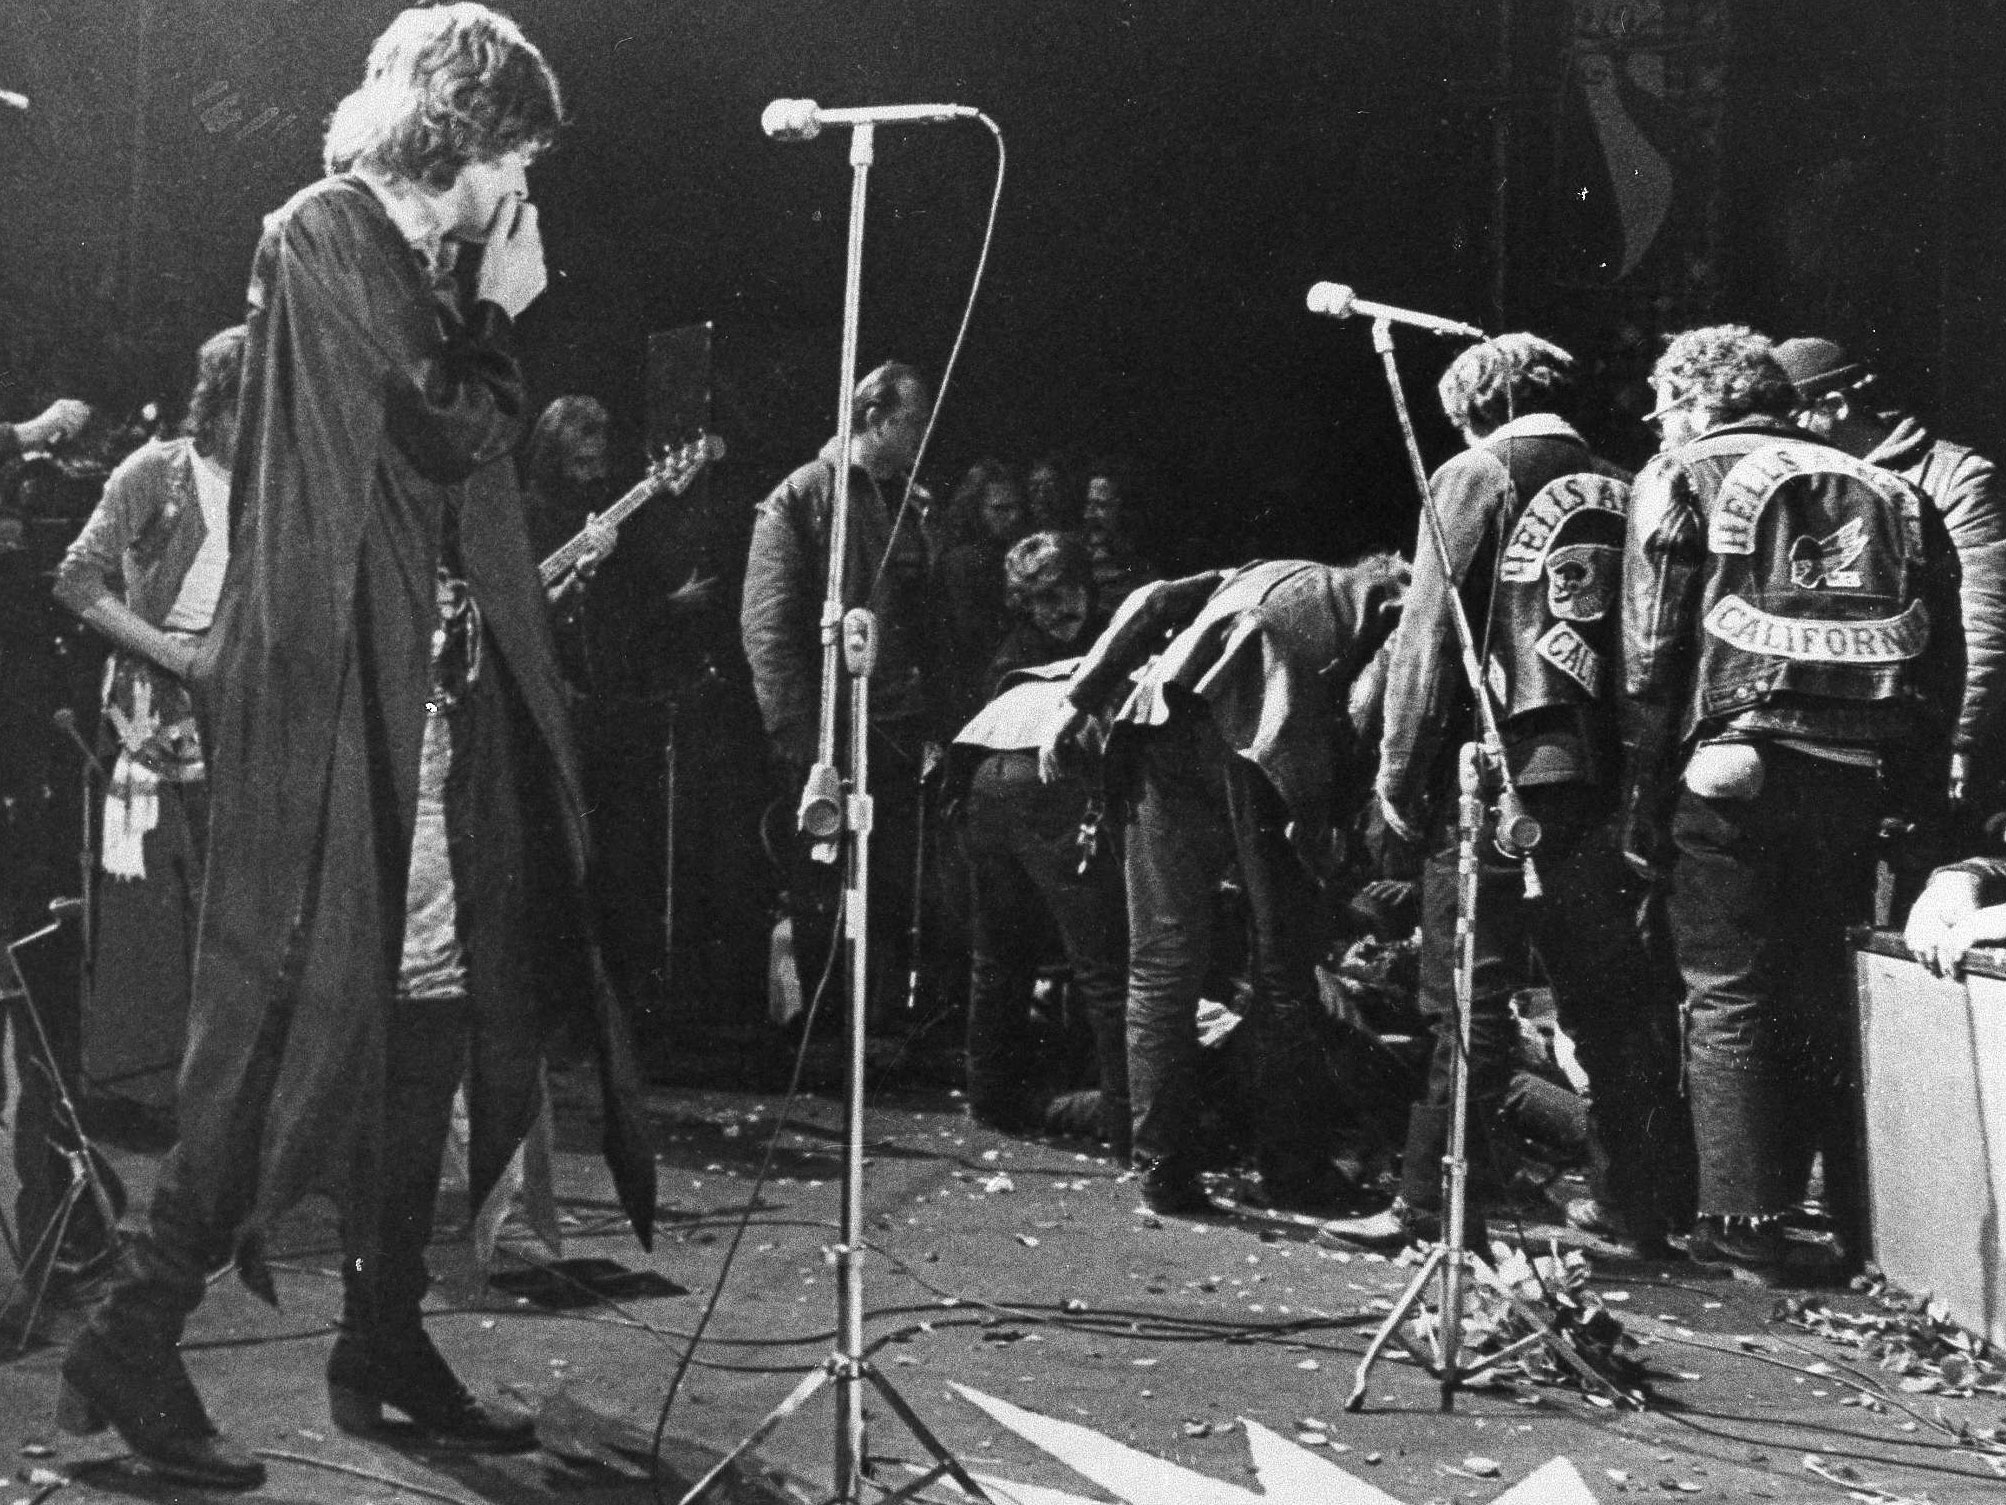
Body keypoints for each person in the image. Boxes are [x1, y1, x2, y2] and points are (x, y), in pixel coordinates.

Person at [58, 7, 657, 1487]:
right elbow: (448, 427)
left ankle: (382, 1335)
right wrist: (498, 310)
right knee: (279, 1035)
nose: (519, 185)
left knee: (427, 1021)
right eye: (514, 154)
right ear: (459, 131)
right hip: (332, 724)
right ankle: (129, 1335)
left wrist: (473, 302)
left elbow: (437, 477)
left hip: (420, 720)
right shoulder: (324, 231)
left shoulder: (406, 262)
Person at [1620, 325, 1957, 1283]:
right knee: (1817, 989)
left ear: (1699, 399)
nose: (1660, 424)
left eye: (1664, 406)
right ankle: (1844, 1219)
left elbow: (1651, 648)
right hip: (1853, 769)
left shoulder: (1682, 471)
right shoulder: (1890, 486)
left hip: (1733, 760)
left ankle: (1741, 1222)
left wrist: (1642, 788)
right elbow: (1943, 655)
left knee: (1727, 987)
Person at [1345, 333, 1691, 1256]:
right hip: (1599, 780)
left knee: (1467, 998)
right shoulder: (1628, 482)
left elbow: (1427, 642)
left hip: (1497, 776)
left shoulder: (1475, 474)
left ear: (1474, 408)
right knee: (1606, 1001)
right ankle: (1635, 1203)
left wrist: (1396, 781)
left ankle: (1431, 1205)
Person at [1039, 553, 1408, 1214]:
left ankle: (1162, 1171)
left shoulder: (1269, 569)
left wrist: (1078, 699)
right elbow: (1370, 712)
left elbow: (1153, 597)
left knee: (1161, 965)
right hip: (1263, 744)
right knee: (1283, 974)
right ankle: (1291, 1172)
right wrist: (1342, 829)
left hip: (1160, 725)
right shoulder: (1396, 607)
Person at [51, 326, 246, 1123]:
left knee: (232, 907)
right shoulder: (156, 471)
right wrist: (174, 653)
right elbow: (76, 579)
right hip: (150, 701)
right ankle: (150, 1097)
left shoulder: (280, 483)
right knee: (152, 904)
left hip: (241, 702)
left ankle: (224, 1094)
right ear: (224, 401)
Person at [741, 360, 939, 1021]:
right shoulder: (803, 496)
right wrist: (800, 742)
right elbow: (768, 630)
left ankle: (878, 1023)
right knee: (824, 884)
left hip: (896, 725)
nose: (921, 438)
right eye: (912, 423)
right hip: (830, 730)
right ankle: (827, 1030)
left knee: (890, 885)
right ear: (873, 417)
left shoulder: (911, 502)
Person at [948, 531, 1128, 1149]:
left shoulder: (1024, 651)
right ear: (1023, 605)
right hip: (1044, 783)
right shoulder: (1076, 644)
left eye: (1068, 591)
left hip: (989, 781)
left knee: (1001, 956)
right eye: (1043, 599)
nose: (1060, 609)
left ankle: (990, 1099)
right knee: (1102, 959)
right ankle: (1131, 1118)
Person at [1772, 337, 2006, 808]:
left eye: (1788, 417)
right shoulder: (1796, 478)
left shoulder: (1956, 478)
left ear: (1835, 406)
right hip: (1822, 737)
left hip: (1919, 734)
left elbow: (1984, 619)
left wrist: (1960, 741)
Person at [931, 458, 1029, 729]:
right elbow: (969, 637)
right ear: (975, 511)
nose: (1013, 517)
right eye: (1000, 509)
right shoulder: (962, 563)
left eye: (1016, 507)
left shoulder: (1014, 555)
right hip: (973, 693)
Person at [1081, 456, 1159, 607]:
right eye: (1089, 505)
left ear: (1123, 510)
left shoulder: (1141, 568)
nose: (1089, 515)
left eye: (1101, 506)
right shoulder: (1074, 559)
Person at [0, 397, 93, 464]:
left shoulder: (66, 409)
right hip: (13, 436)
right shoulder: (67, 410)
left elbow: (47, 440)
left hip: (14, 436)